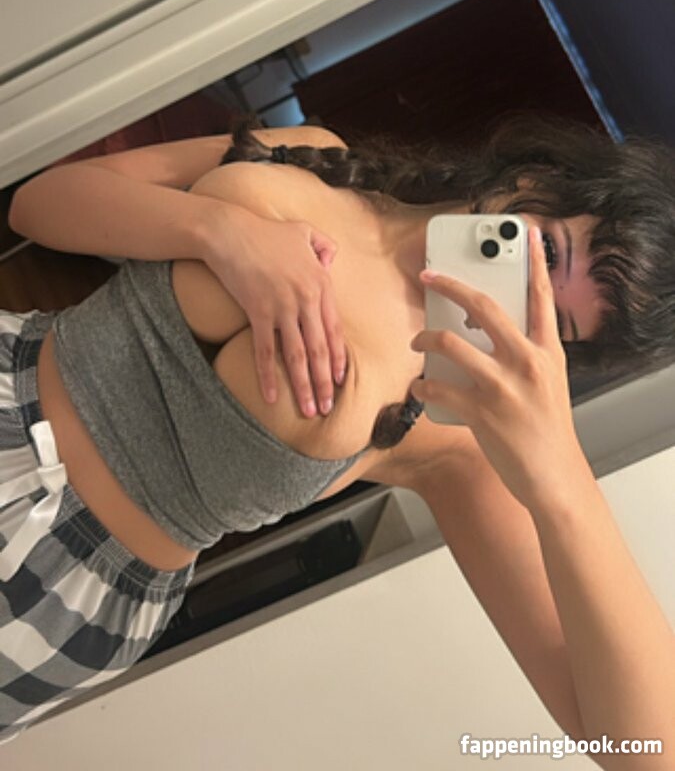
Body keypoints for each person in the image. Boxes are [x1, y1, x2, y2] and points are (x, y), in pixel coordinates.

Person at [3, 118, 675, 764]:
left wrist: (564, 482)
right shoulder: (317, 157)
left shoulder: (448, 432)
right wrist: (217, 230)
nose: (511, 300)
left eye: (550, 320)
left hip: (54, 594)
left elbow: (645, 754)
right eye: (547, 252)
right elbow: (38, 205)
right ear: (539, 179)